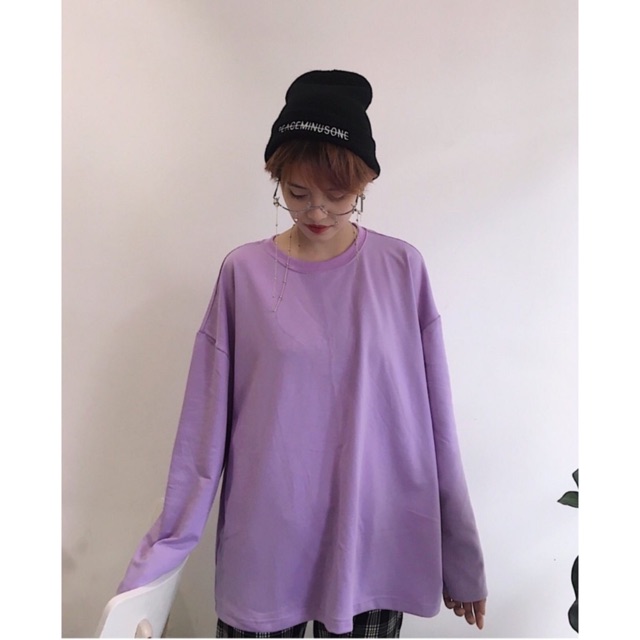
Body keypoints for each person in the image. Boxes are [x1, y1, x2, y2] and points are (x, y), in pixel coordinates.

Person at [117, 69, 488, 638]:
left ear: (365, 182)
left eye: (337, 195)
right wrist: (147, 578)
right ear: (277, 180)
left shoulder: (401, 270)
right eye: (296, 193)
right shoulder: (244, 274)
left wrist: (461, 559)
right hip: (267, 547)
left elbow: (438, 428)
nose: (317, 212)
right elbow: (200, 440)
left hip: (373, 540)